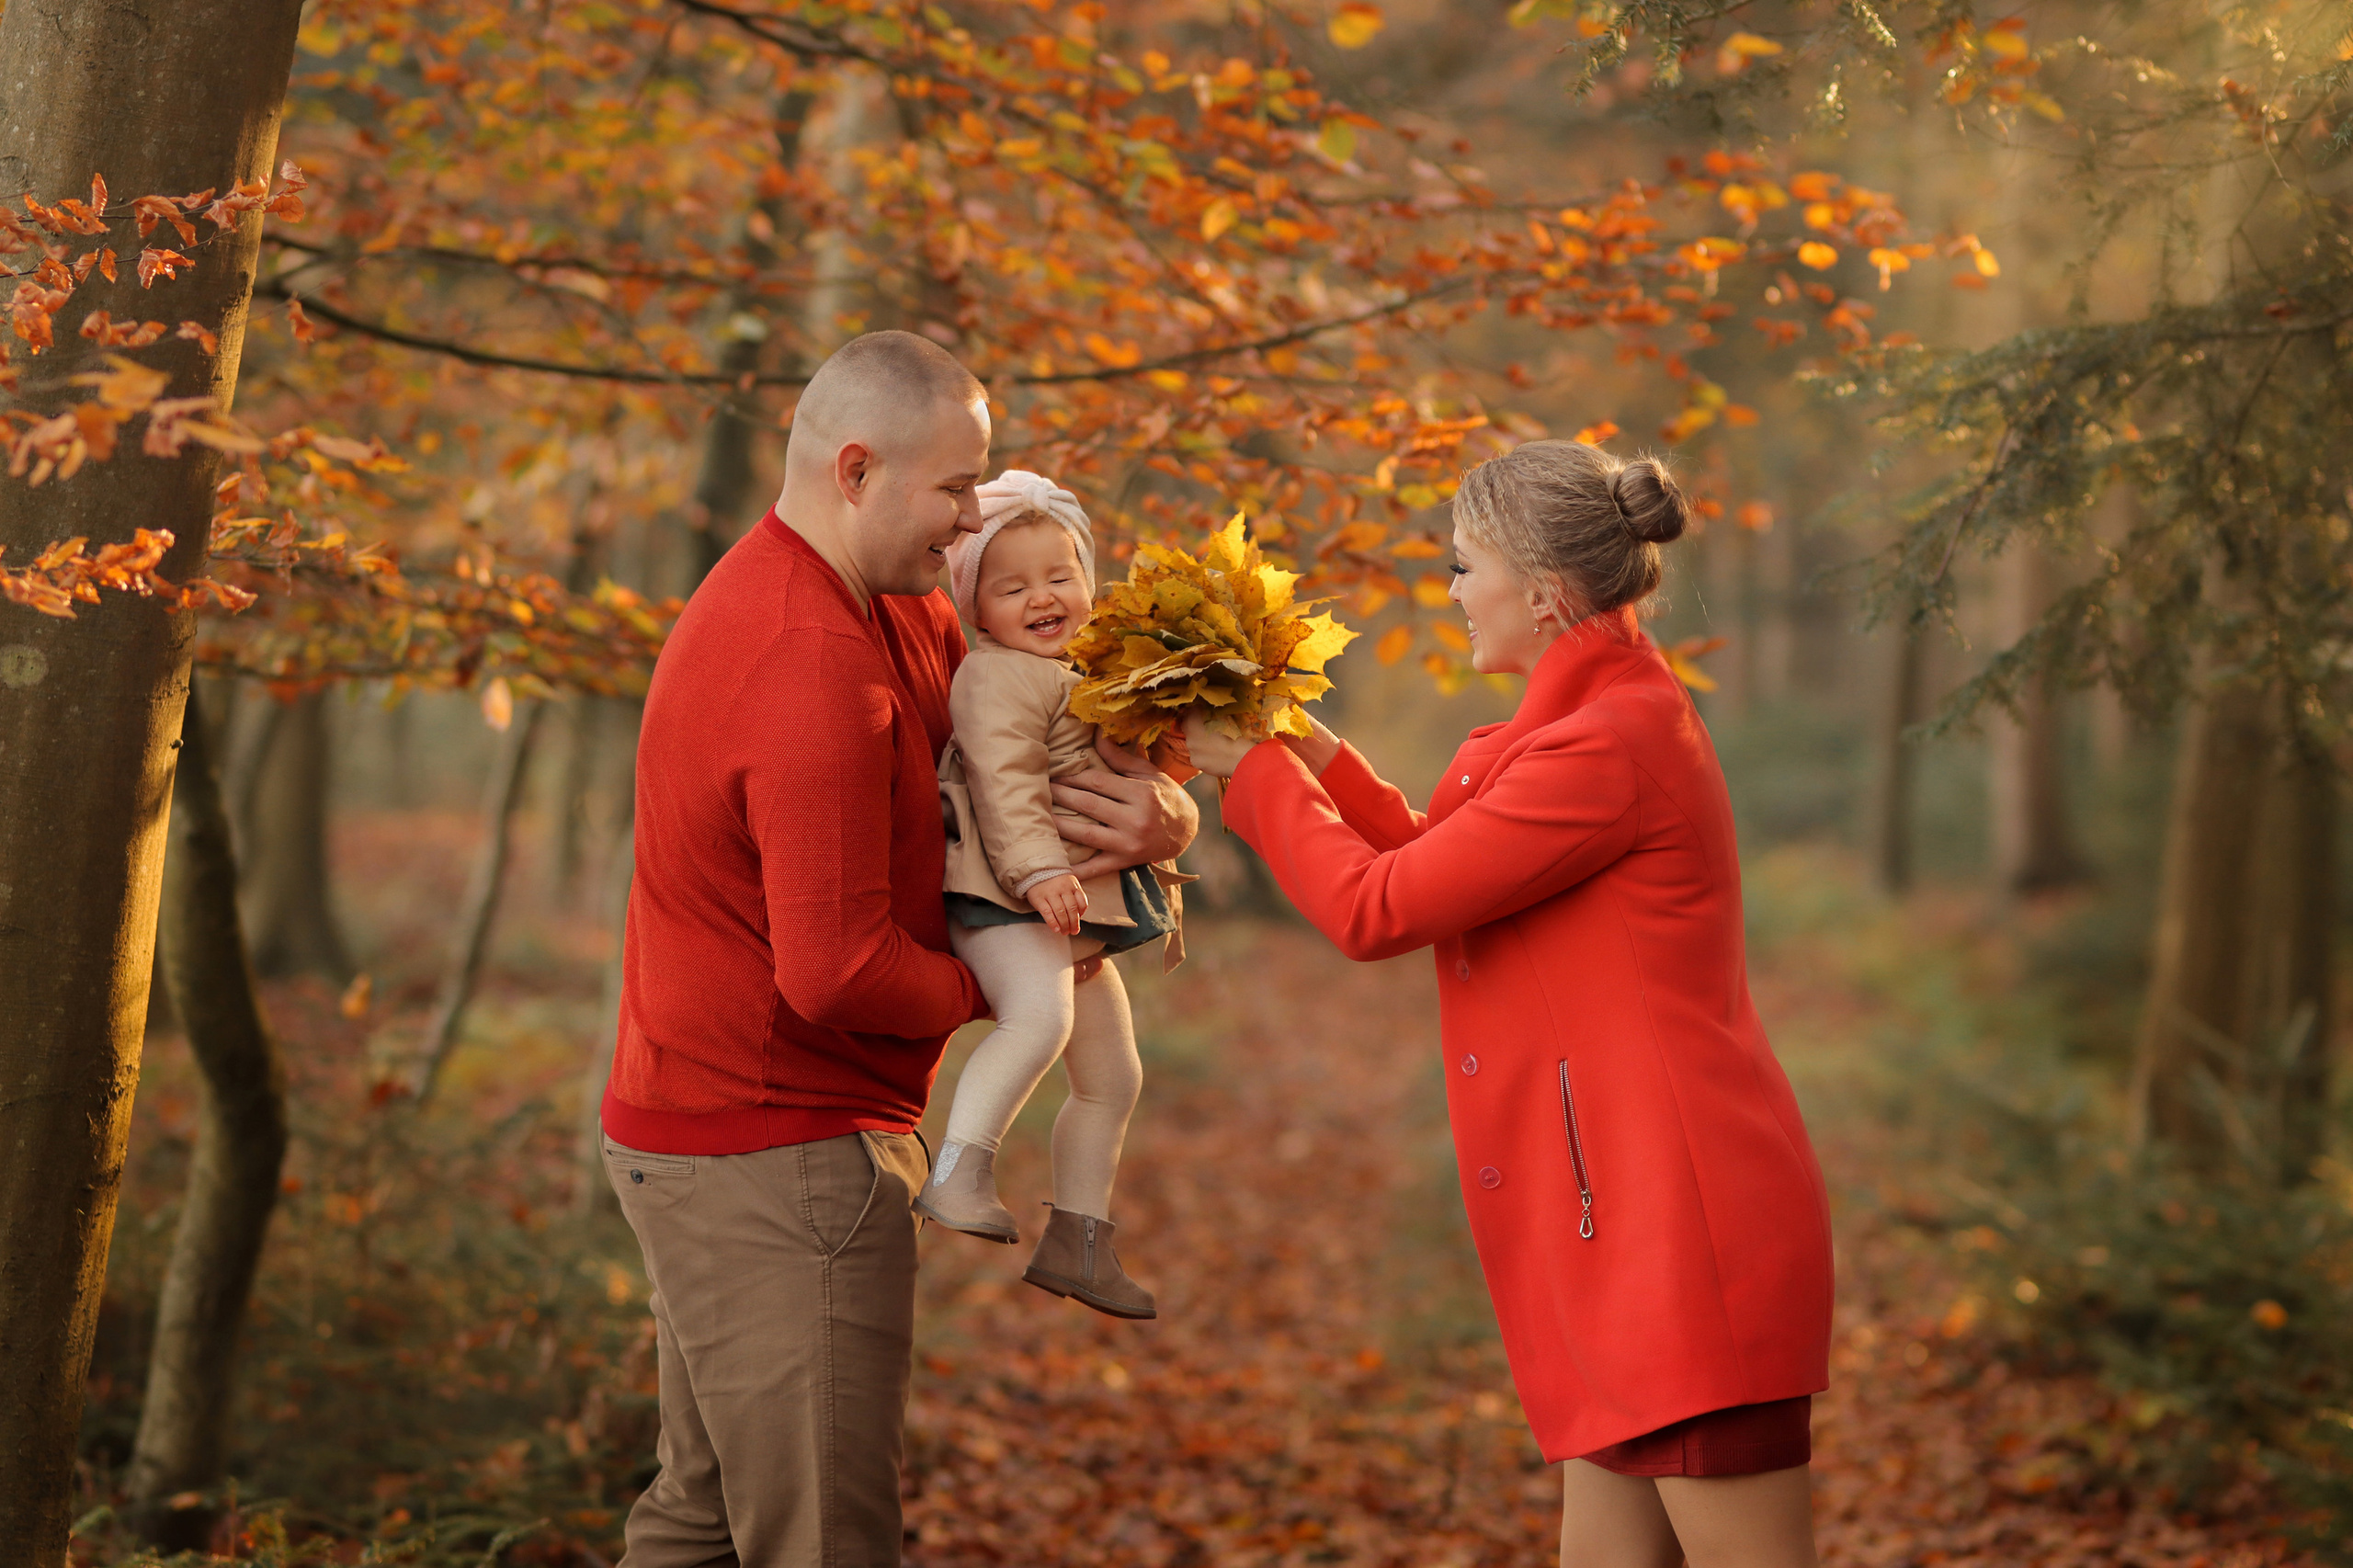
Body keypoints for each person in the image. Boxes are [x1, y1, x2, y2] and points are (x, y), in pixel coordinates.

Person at [597, 331, 1198, 1567]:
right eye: (954, 487)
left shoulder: (899, 608)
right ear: (857, 470)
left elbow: (1041, 738)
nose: (974, 515)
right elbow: (834, 973)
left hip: (725, 1134)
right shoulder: (805, 663)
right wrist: (1021, 985)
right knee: (825, 1537)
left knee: (702, 1523)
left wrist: (1168, 811)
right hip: (774, 1151)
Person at [1178, 439, 1835, 1568]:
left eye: (1462, 564)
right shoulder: (1581, 725)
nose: (1450, 590)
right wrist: (1291, 735)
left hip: (1677, 1245)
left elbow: (1374, 907)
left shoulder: (1606, 745)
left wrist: (1247, 770)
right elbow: (1439, 864)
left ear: (1539, 591)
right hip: (1623, 1237)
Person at [915, 470, 1186, 1320]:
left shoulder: (1078, 675)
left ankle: (1081, 1239)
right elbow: (1003, 784)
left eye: (1060, 576)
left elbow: (1121, 775)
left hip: (1070, 906)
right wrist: (1037, 871)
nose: (1043, 597)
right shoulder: (996, 678)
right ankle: (959, 1171)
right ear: (977, 609)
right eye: (1013, 585)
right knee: (1041, 1021)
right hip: (1004, 893)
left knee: (1114, 1076)